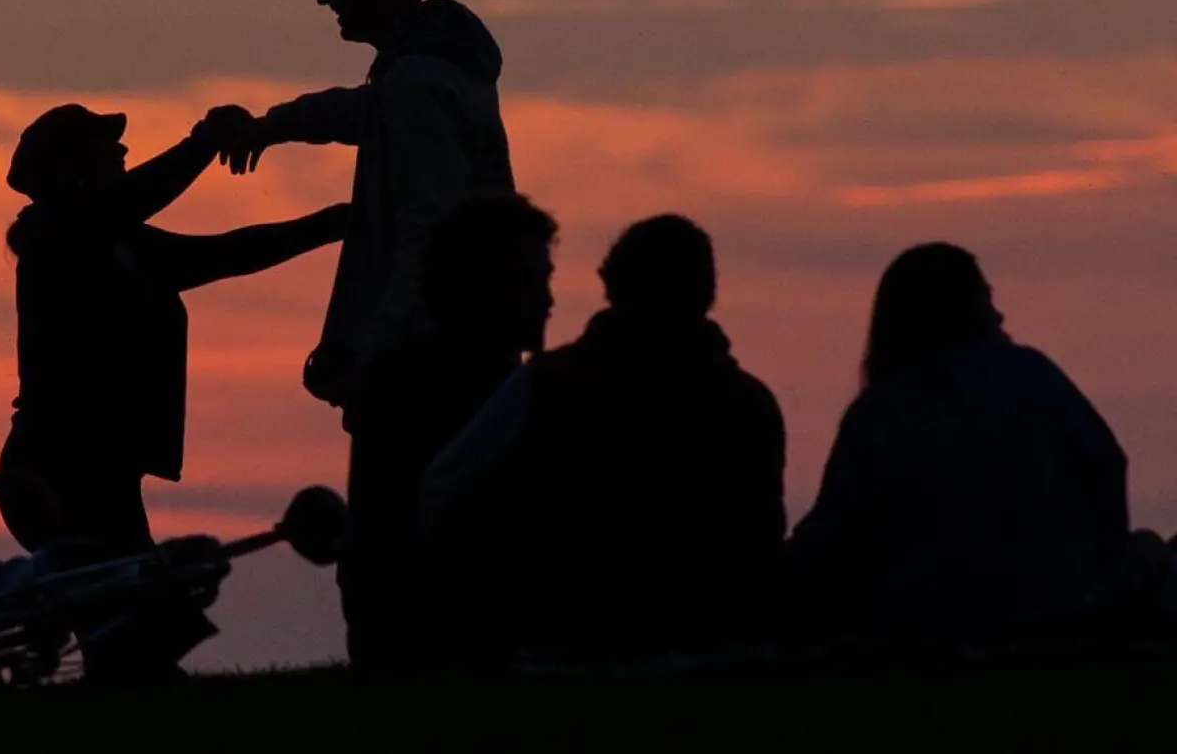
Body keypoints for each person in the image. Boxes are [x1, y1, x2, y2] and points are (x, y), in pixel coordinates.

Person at [417, 215, 787, 669]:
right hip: (714, 650)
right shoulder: (751, 405)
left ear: (613, 286)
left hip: (565, 647)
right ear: (705, 294)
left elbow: (441, 493)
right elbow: (762, 540)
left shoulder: (545, 385)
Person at [0, 103, 349, 560]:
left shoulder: (109, 242)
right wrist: (205, 141)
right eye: (106, 146)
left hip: (87, 468)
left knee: (128, 593)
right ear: (73, 169)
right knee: (133, 594)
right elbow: (141, 199)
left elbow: (225, 253)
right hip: (63, 468)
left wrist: (330, 224)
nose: (123, 151)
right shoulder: (62, 238)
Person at [210, 0, 515, 408]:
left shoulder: (415, 84)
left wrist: (374, 358)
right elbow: (358, 111)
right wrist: (273, 126)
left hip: (428, 382)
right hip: (452, 365)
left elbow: (428, 234)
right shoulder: (432, 74)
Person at [786, 243, 1146, 644]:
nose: (1000, 315)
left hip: (927, 619)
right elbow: (1105, 465)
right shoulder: (1033, 376)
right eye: (986, 299)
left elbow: (836, 528)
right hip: (1059, 610)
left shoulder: (881, 410)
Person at [337, 192, 557, 672]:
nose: (548, 300)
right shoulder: (412, 391)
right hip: (437, 647)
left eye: (545, 279)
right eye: (529, 280)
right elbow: (390, 542)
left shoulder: (406, 379)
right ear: (479, 287)